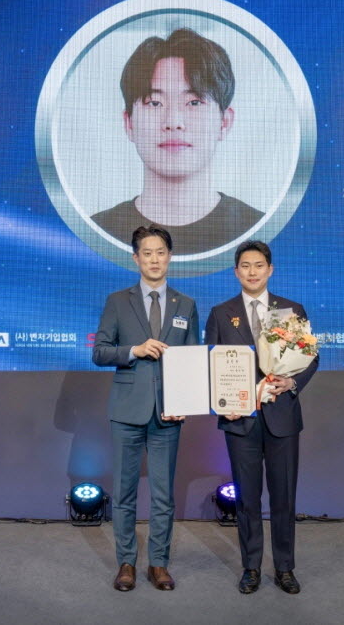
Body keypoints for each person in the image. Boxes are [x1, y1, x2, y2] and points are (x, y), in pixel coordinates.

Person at [203, 240, 319, 595]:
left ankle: (285, 568)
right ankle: (251, 567)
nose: (252, 272)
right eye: (245, 266)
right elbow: (210, 364)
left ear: (270, 270)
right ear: (236, 271)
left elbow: (311, 357)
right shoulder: (221, 313)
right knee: (247, 499)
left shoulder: (291, 310)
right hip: (240, 419)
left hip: (282, 416)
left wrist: (292, 382)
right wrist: (221, 402)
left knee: (284, 498)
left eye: (258, 265)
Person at [92, 225, 200, 591]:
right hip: (127, 411)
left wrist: (185, 401)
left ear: (170, 257)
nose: (154, 259)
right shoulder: (117, 301)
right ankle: (126, 562)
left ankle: (158, 563)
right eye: (147, 253)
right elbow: (100, 352)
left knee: (163, 495)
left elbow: (192, 360)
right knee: (123, 493)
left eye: (161, 253)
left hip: (168, 413)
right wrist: (134, 350)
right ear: (136, 258)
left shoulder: (186, 304)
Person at [92, 28, 263, 255]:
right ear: (129, 123)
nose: (173, 122)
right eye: (154, 103)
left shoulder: (257, 231)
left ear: (224, 122)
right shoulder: (96, 233)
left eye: (194, 102)